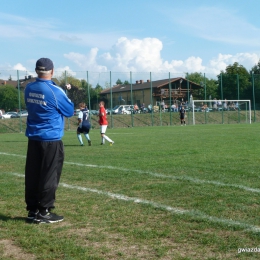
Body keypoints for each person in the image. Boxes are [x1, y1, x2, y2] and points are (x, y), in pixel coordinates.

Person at [24, 58, 74, 224]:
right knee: (49, 175)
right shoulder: (55, 91)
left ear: (37, 70)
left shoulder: (28, 88)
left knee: (33, 174)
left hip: (33, 138)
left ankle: (32, 210)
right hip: (51, 139)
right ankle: (44, 211)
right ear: (52, 71)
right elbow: (69, 111)